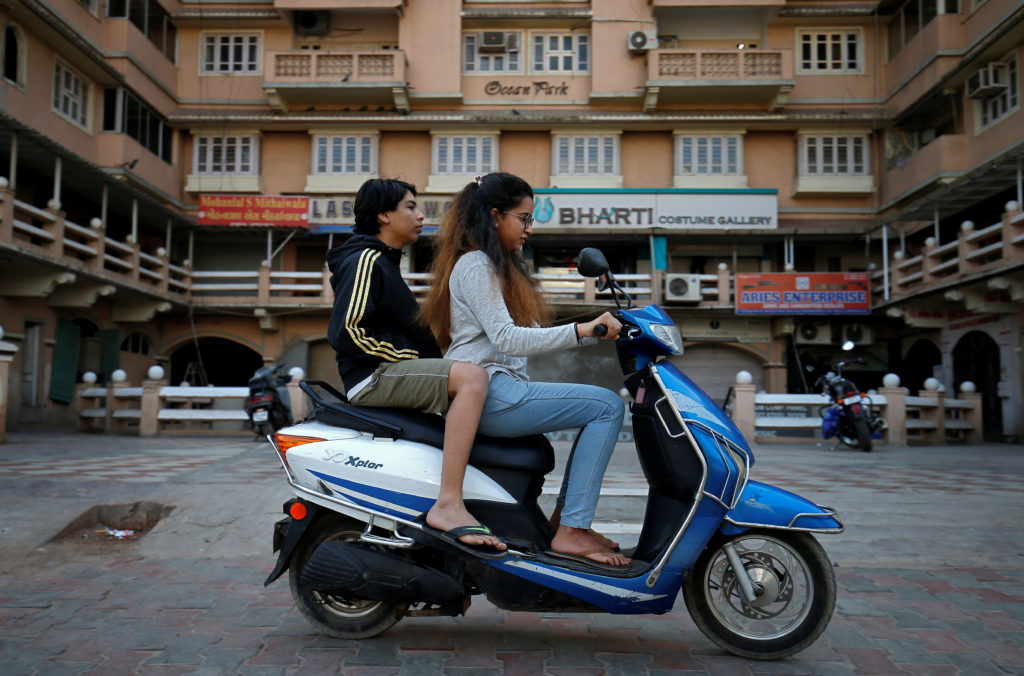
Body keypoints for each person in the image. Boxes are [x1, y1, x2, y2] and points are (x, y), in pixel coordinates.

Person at [420, 172, 630, 568]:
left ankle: (565, 524)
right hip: (490, 392)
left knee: (598, 405)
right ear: (496, 216)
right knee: (606, 406)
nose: (529, 229)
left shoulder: (492, 266)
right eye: (524, 218)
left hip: (497, 388)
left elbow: (524, 334)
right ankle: (571, 529)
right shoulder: (477, 264)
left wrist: (590, 331)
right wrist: (583, 329)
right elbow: (508, 340)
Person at [326, 178, 504, 554]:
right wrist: (412, 359)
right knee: (472, 379)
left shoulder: (385, 262)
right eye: (410, 207)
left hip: (387, 373)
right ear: (383, 215)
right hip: (372, 378)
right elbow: (347, 331)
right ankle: (449, 504)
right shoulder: (366, 258)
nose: (421, 215)